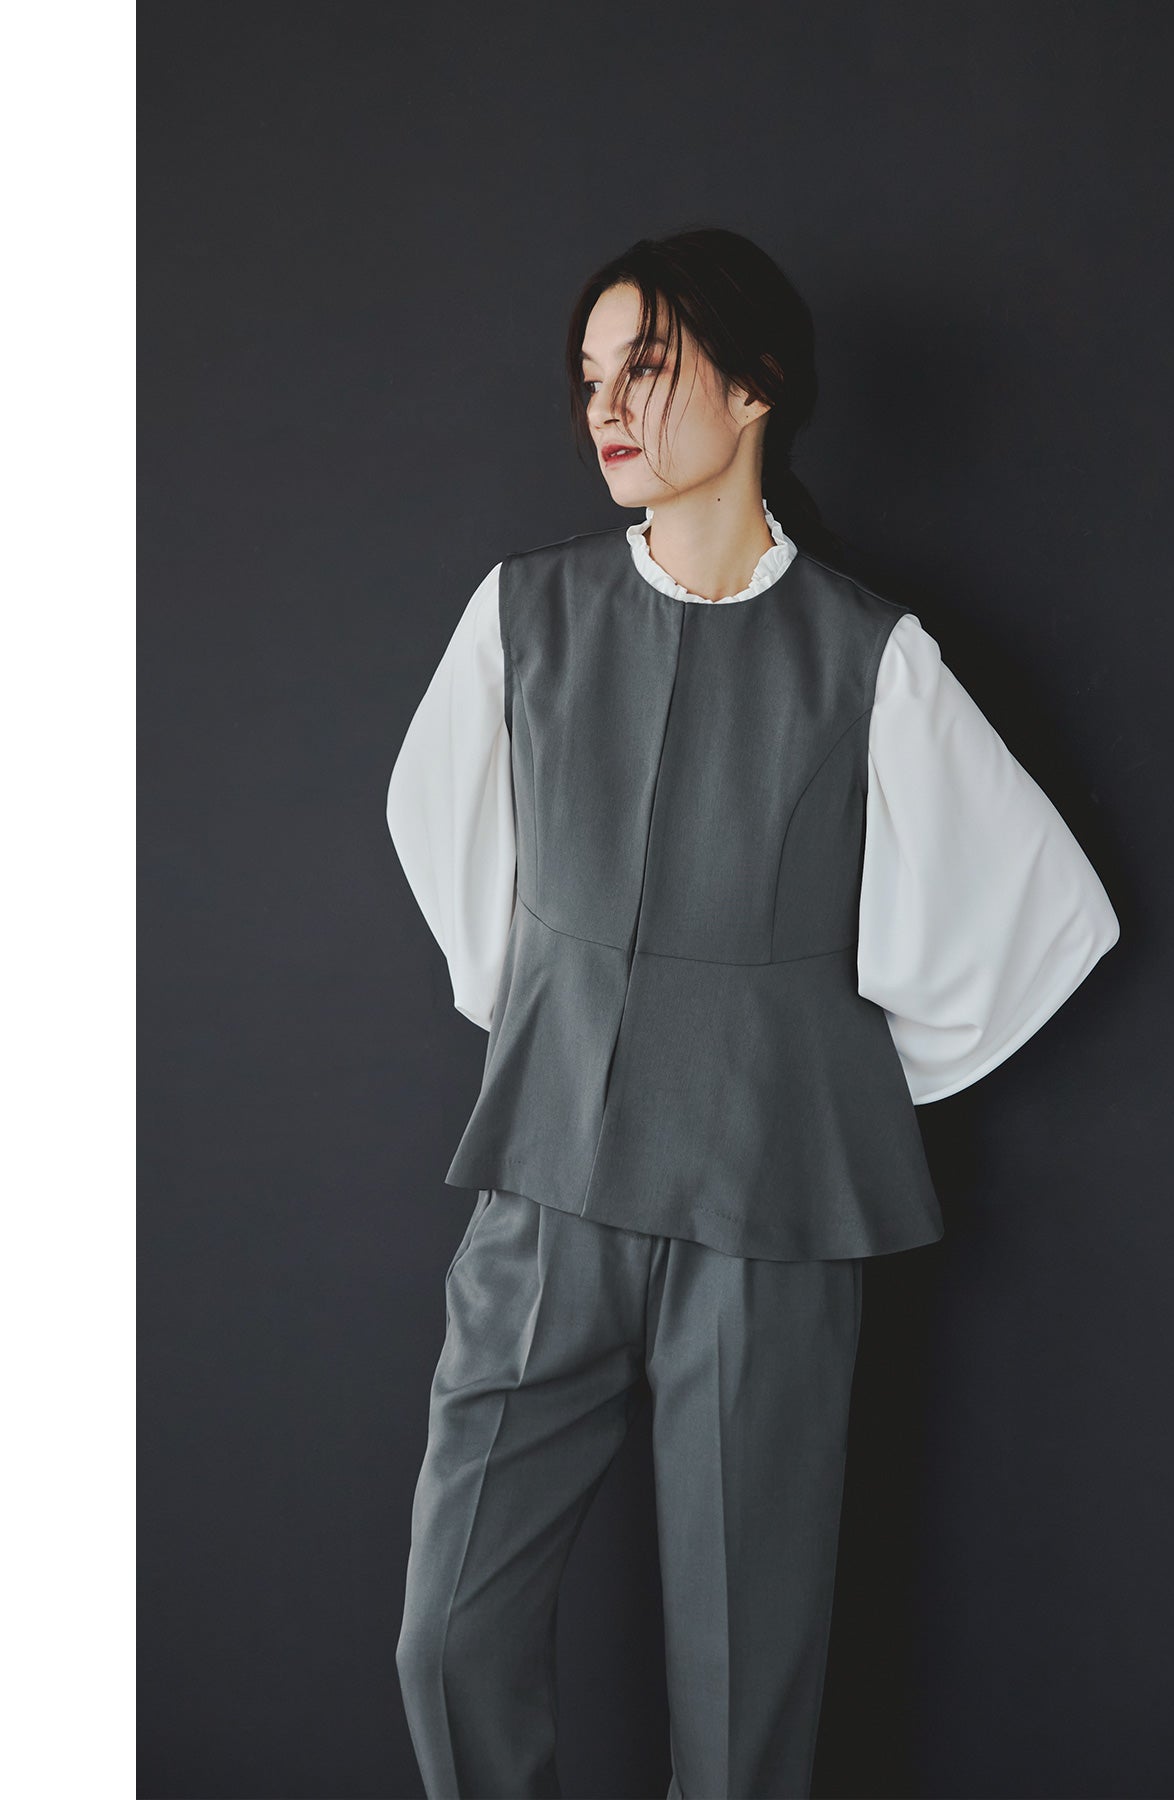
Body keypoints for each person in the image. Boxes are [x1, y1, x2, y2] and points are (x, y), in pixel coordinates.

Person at [387, 227, 1120, 1800]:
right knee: (446, 1634)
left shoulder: (870, 655)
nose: (607, 406)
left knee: (745, 1696)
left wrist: (805, 1061)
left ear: (757, 386)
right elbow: (452, 857)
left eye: (647, 367)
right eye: (591, 376)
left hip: (772, 1215)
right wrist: (565, 1015)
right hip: (547, 1193)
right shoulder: (524, 615)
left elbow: (1044, 913)